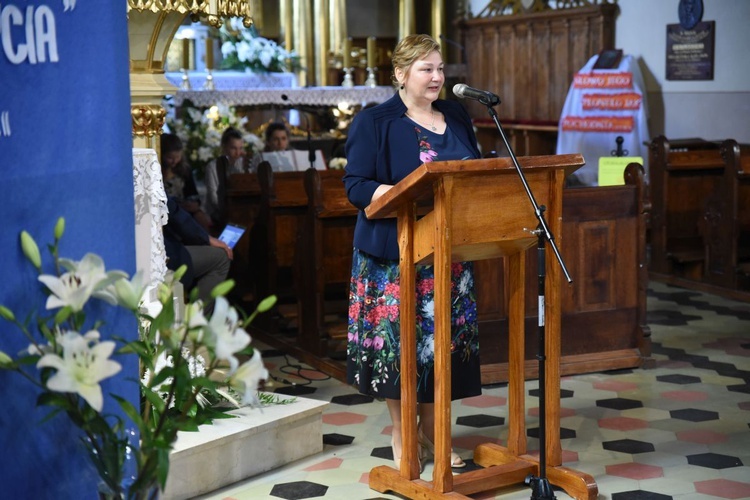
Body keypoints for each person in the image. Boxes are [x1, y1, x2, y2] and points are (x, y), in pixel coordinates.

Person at [342, 34, 482, 471]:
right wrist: (400, 193)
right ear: (401, 74)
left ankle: (436, 434)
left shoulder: (457, 115)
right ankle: (404, 436)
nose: (437, 77)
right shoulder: (376, 121)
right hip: (395, 256)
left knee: (442, 348)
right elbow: (356, 185)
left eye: (440, 68)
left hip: (449, 252)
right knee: (400, 349)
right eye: (427, 69)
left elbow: (475, 170)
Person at [163, 196, 233, 314]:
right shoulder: (145, 178)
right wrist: (205, 238)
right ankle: (198, 322)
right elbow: (172, 211)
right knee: (221, 257)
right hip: (163, 258)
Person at [160, 133, 213, 231]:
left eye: (178, 157)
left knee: (201, 218)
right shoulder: (157, 172)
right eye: (170, 158)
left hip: (185, 209)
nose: (174, 161)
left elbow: (192, 193)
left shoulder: (184, 170)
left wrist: (193, 203)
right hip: (167, 212)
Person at [204, 127, 246, 229]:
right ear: (224, 147)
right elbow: (213, 196)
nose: (237, 153)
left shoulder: (243, 164)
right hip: (218, 212)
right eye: (233, 148)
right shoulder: (212, 167)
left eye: (240, 148)